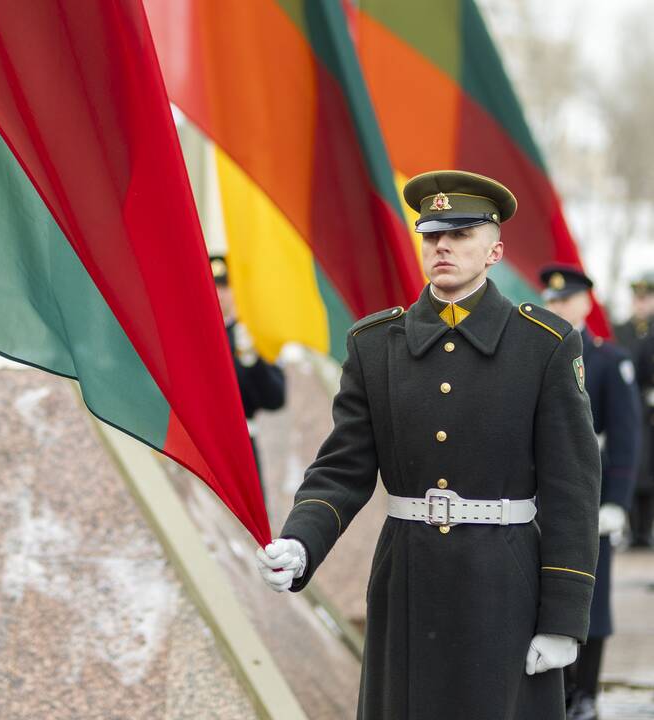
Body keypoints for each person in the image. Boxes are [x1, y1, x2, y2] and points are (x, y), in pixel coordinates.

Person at [255, 170, 601, 719]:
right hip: (407, 580)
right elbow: (343, 468)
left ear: (494, 250)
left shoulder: (545, 345)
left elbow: (572, 491)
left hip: (504, 583)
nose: (442, 245)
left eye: (461, 234)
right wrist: (301, 541)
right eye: (432, 234)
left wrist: (563, 619)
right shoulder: (375, 345)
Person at [539, 264, 641, 720]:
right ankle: (551, 690)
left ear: (584, 303)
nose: (558, 307)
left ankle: (586, 694)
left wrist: (617, 501)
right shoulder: (534, 352)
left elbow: (625, 435)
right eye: (552, 301)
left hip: (590, 495)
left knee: (591, 600)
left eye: (566, 300)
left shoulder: (606, 359)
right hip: (538, 495)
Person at [211, 254, 286, 498]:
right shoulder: (195, 337)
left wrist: (253, 361)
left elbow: (275, 398)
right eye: (214, 286)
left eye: (224, 286)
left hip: (241, 442)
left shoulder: (249, 335)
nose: (219, 294)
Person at [615, 272, 654, 548]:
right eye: (637, 298)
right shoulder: (622, 330)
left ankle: (646, 531)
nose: (641, 304)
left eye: (646, 298)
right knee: (633, 465)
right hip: (630, 408)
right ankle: (633, 530)